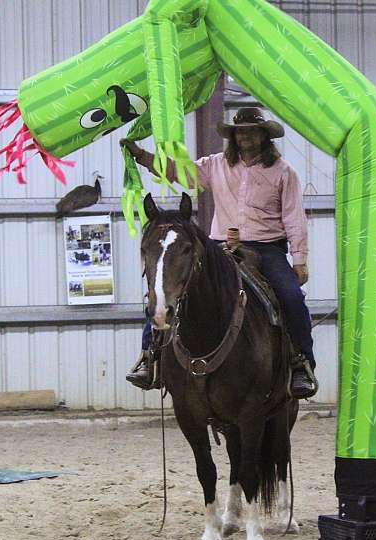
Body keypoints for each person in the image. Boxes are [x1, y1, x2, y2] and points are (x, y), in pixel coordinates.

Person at [123, 106, 318, 399]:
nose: (245, 136)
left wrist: (299, 259)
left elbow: (293, 217)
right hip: (218, 247)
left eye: (252, 130)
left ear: (264, 136)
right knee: (168, 288)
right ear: (233, 136)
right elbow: (179, 172)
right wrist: (142, 156)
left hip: (266, 248)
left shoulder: (283, 173)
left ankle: (301, 361)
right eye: (240, 131)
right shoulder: (215, 165)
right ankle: (150, 356)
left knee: (291, 295)